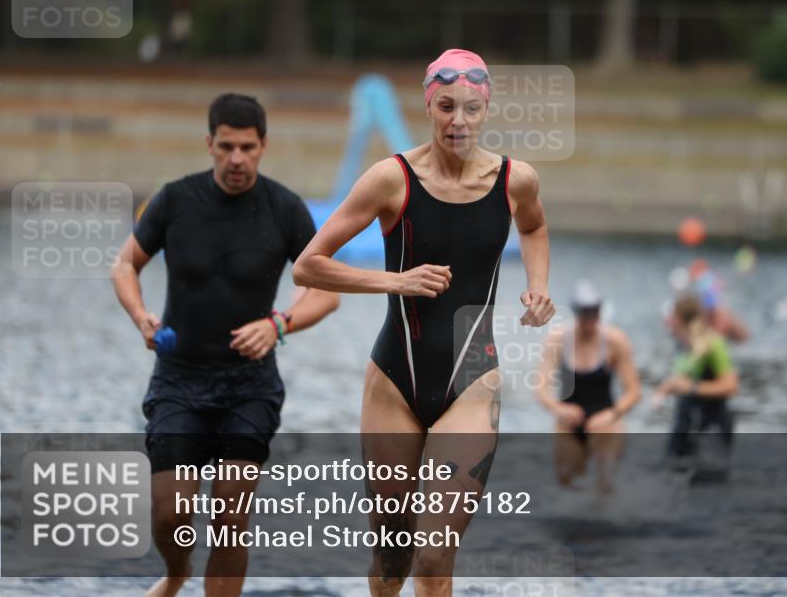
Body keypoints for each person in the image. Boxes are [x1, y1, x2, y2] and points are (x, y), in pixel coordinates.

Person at [292, 49, 554, 597]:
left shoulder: (515, 180)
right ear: (427, 105)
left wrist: (538, 286)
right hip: (394, 380)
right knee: (392, 557)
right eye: (445, 106)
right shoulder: (391, 179)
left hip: (473, 382)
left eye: (471, 108)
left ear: (487, 108)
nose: (458, 121)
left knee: (435, 555)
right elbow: (308, 265)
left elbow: (533, 228)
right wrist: (396, 281)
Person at [112, 94, 340, 597]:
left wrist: (278, 324)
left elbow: (326, 292)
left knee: (230, 514)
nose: (237, 158)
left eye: (248, 147)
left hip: (249, 384)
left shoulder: (284, 208)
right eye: (227, 146)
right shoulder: (174, 200)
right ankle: (176, 574)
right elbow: (125, 264)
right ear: (210, 144)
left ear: (263, 147)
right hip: (179, 377)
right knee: (171, 512)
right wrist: (140, 317)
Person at [535, 280, 641, 496]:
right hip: (569, 419)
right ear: (576, 313)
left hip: (605, 418)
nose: (590, 319)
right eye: (585, 313)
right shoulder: (558, 340)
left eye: (594, 313)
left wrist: (611, 415)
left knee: (605, 482)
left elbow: (634, 392)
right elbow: (541, 389)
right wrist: (558, 409)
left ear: (600, 312)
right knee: (566, 481)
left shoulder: (615, 341)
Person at [652, 294, 739, 462]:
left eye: (671, 317)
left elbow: (731, 386)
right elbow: (680, 377)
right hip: (685, 423)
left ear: (679, 318)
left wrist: (692, 387)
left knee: (707, 482)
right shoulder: (682, 344)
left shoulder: (713, 343)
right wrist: (661, 392)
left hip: (712, 426)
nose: (667, 322)